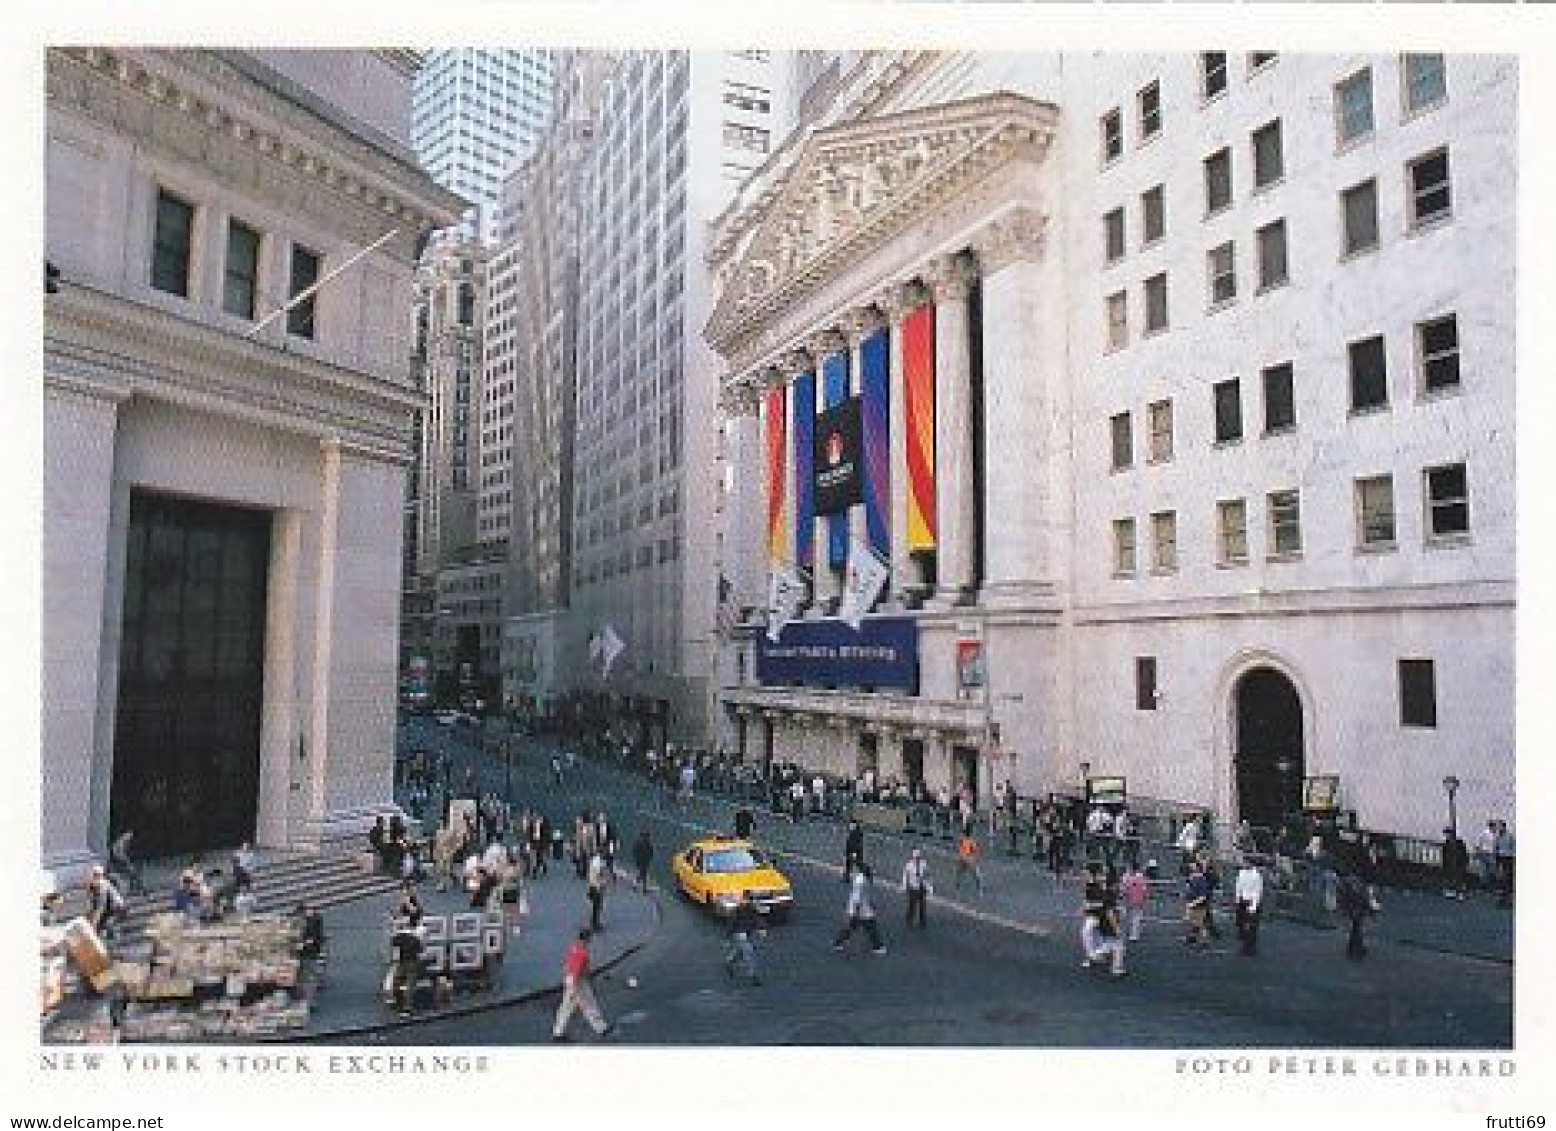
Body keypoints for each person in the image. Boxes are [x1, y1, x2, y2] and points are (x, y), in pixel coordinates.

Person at [551, 929, 614, 1041]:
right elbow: (578, 969)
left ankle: (557, 1033)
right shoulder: (582, 953)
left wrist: (569, 980)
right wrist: (576, 984)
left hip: (570, 979)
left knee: (566, 1008)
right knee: (589, 1004)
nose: (589, 941)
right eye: (589, 939)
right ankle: (602, 1028)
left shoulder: (574, 948)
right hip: (578, 982)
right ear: (586, 939)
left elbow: (567, 965)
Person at [1079, 863, 1126, 976]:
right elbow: (1107, 909)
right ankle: (1112, 965)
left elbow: (1107, 909)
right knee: (1112, 942)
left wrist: (1089, 906)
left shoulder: (1106, 890)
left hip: (1102, 917)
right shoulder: (1094, 887)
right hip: (1101, 917)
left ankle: (1098, 958)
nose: (1084, 876)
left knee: (1108, 941)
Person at [833, 865, 886, 955]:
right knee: (871, 926)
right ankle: (878, 946)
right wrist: (856, 912)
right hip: (861, 909)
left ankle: (838, 943)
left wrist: (870, 903)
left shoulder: (861, 879)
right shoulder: (861, 882)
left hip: (861, 908)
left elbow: (864, 895)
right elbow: (857, 897)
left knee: (851, 927)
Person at [723, 891, 763, 985]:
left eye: (748, 900)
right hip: (739, 934)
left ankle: (729, 962)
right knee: (749, 953)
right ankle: (753, 975)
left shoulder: (751, 908)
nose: (746, 901)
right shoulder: (736, 910)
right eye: (745, 899)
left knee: (740, 951)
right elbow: (731, 925)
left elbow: (757, 918)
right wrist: (728, 937)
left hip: (748, 933)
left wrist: (761, 928)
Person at [388, 917, 426, 1016]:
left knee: (397, 980)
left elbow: (393, 943)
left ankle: (394, 1000)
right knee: (410, 985)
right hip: (413, 962)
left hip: (402, 961)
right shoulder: (416, 937)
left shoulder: (400, 935)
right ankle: (407, 1008)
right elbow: (421, 950)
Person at [1336, 869, 1371, 959]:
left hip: (1352, 908)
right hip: (1357, 908)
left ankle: (1353, 949)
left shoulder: (1346, 883)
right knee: (1357, 929)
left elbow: (1342, 897)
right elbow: (1364, 896)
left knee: (1355, 929)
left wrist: (1344, 909)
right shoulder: (1358, 883)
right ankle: (1356, 949)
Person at [1234, 857, 1264, 957]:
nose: (1244, 864)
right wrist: (1237, 900)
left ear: (1251, 864)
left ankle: (1249, 948)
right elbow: (1238, 886)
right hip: (1242, 901)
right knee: (1241, 924)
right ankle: (1244, 945)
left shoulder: (1257, 875)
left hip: (1252, 901)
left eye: (1246, 863)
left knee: (1251, 926)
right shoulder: (1241, 872)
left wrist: (1253, 906)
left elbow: (1258, 891)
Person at [86, 865, 126, 941]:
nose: (89, 879)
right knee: (99, 925)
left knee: (106, 926)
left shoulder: (102, 886)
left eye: (92, 876)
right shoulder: (93, 886)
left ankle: (112, 941)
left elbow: (100, 908)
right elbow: (91, 904)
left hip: (114, 909)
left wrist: (93, 924)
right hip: (107, 909)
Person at [1182, 860, 1211, 950]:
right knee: (1193, 923)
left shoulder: (1201, 879)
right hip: (1193, 903)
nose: (1191, 867)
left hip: (1199, 905)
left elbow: (1203, 896)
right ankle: (1192, 938)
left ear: (1197, 868)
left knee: (1201, 924)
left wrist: (1192, 904)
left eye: (1193, 866)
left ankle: (1204, 942)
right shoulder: (1192, 878)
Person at [108, 829, 147, 896]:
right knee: (133, 873)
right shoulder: (124, 840)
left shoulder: (124, 840)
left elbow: (119, 850)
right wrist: (125, 860)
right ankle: (139, 888)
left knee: (133, 873)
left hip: (121, 859)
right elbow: (118, 851)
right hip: (120, 860)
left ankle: (136, 888)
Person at [1120, 862, 1150, 942]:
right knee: (1136, 917)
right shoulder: (1141, 877)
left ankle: (1124, 932)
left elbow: (1122, 889)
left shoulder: (1125, 876)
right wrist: (1145, 898)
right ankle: (1134, 935)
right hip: (1138, 900)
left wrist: (1123, 895)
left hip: (1127, 899)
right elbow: (1145, 890)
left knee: (1125, 917)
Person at [902, 848, 931, 928]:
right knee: (912, 905)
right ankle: (909, 919)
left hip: (921, 887)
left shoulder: (924, 864)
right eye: (915, 857)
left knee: (922, 906)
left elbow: (927, 876)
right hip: (913, 887)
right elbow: (905, 876)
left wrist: (929, 887)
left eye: (918, 857)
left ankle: (922, 921)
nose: (917, 859)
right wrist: (905, 886)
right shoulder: (909, 865)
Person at [1441, 827, 1469, 900]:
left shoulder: (1459, 842)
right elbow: (1445, 855)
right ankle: (1452, 891)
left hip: (1459, 863)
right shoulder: (1446, 843)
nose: (1446, 835)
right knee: (1451, 877)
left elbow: (1464, 852)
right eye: (1446, 834)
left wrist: (1465, 862)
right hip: (1450, 864)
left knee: (1460, 878)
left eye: (1447, 833)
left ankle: (1461, 893)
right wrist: (1444, 864)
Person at [1493, 819, 1516, 907]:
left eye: (1500, 826)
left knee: (1508, 878)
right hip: (1500, 859)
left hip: (1508, 859)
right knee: (1502, 878)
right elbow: (1496, 847)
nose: (1498, 828)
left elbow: (1514, 848)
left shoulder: (1510, 836)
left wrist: (1513, 858)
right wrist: (1495, 857)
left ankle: (1509, 898)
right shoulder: (1498, 837)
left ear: (1504, 827)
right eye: (1498, 826)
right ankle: (1503, 898)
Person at [585, 850, 609, 933]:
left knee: (595, 905)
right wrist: (601, 884)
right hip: (596, 887)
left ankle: (593, 922)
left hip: (594, 885)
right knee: (596, 906)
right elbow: (597, 875)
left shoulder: (597, 861)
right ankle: (594, 924)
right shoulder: (598, 862)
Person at [954, 828, 983, 893]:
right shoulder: (965, 841)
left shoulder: (968, 841)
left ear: (965, 834)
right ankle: (958, 885)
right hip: (965, 859)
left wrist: (973, 857)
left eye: (962, 834)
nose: (961, 835)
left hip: (967, 859)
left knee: (974, 873)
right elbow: (976, 850)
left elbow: (976, 850)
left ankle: (979, 887)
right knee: (961, 873)